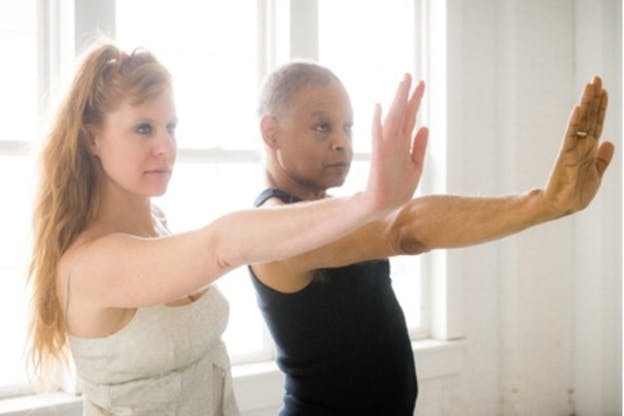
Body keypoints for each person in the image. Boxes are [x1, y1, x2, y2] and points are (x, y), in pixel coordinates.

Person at [26, 42, 428, 416]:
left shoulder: (160, 225)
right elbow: (222, 243)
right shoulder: (90, 265)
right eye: (144, 128)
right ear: (92, 138)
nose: (165, 147)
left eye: (172, 127)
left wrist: (372, 207)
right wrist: (368, 203)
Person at [249, 62, 614, 415]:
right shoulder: (270, 229)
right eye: (322, 127)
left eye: (348, 127)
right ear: (271, 133)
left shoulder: (333, 210)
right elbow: (405, 228)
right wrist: (544, 204)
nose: (342, 143)